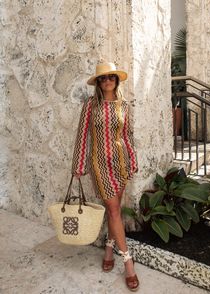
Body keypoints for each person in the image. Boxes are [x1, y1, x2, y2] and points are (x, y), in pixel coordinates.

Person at [71, 61, 139, 291]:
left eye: (111, 76)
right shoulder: (91, 105)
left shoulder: (124, 105)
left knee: (115, 212)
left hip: (120, 163)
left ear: (116, 80)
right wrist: (78, 166)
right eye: (103, 78)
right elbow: (82, 136)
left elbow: (128, 136)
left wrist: (133, 161)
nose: (107, 80)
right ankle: (128, 263)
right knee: (112, 210)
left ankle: (109, 249)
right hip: (100, 165)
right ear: (98, 83)